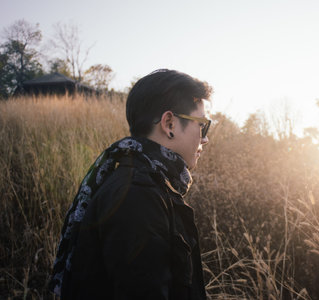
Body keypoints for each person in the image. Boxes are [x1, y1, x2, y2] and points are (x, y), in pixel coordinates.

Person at [49, 69, 213, 299]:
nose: (205, 138)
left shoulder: (142, 183)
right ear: (169, 124)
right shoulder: (137, 197)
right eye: (202, 125)